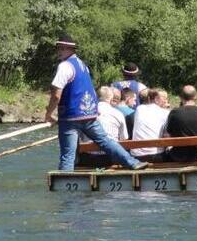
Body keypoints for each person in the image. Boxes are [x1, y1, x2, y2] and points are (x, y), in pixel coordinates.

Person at [44, 34, 145, 171]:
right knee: (106, 141)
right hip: (89, 115)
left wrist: (48, 114)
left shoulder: (65, 66)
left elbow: (56, 95)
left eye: (63, 48)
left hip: (70, 116)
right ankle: (133, 162)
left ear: (71, 50)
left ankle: (65, 180)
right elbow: (89, 89)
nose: (59, 51)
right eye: (58, 48)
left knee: (68, 154)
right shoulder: (83, 65)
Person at [164, 85, 197, 162]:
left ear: (181, 97)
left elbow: (169, 133)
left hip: (178, 155)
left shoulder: (174, 113)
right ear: (195, 97)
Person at [132, 88, 170, 163]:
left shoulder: (139, 109)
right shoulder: (165, 113)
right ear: (156, 99)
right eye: (164, 98)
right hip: (156, 155)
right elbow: (167, 135)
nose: (165, 101)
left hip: (137, 156)